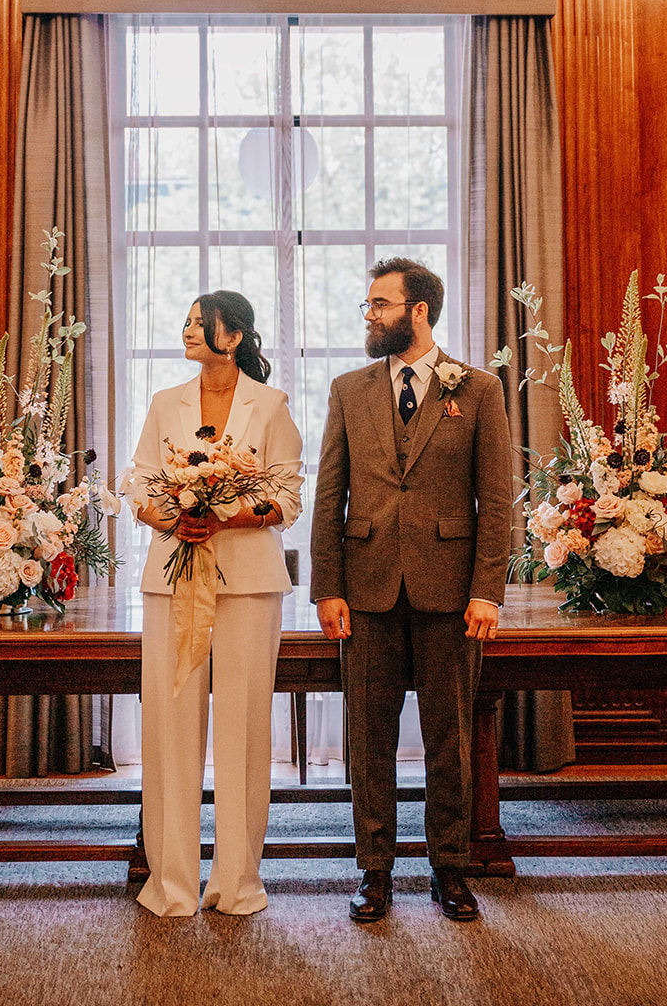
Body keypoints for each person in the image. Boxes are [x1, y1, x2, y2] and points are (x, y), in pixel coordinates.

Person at [310, 257, 513, 923]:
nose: (367, 314)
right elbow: (329, 495)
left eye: (378, 304)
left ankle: (449, 869)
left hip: (451, 594)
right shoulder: (348, 389)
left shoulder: (478, 389)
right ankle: (373, 871)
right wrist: (325, 588)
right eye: (368, 305)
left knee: (448, 738)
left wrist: (487, 590)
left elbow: (496, 501)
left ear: (417, 311)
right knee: (366, 739)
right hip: (364, 592)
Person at [128, 291, 303, 917]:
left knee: (244, 728)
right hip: (172, 581)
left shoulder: (272, 405)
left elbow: (288, 493)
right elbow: (140, 481)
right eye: (185, 323)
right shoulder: (162, 403)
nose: (187, 332)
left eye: (199, 324)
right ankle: (171, 883)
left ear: (234, 335)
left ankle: (236, 883)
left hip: (249, 584)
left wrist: (226, 515)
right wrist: (169, 514)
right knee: (170, 729)